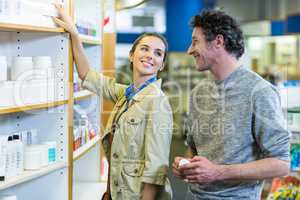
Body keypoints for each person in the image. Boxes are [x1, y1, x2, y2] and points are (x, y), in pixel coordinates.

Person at [53, 5, 173, 200]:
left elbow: (156, 167)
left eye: (158, 53)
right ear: (131, 55)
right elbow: (87, 76)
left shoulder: (157, 102)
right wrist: (74, 34)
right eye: (144, 49)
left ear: (162, 65)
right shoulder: (125, 94)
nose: (150, 55)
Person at [172, 9, 290, 200]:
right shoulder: (198, 92)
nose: (189, 50)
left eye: (195, 42)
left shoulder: (260, 92)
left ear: (218, 41)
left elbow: (281, 163)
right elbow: (194, 149)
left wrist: (217, 172)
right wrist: (187, 165)